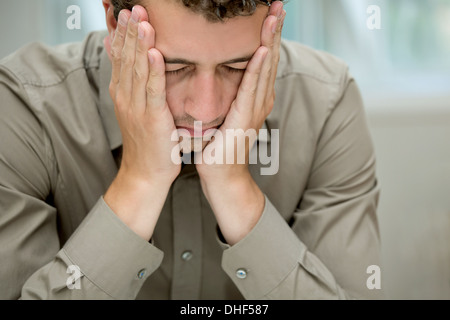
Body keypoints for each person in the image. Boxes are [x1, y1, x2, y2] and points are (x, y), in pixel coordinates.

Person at [0, 0, 384, 300]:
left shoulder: (326, 102)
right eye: (171, 68)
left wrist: (234, 186)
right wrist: (140, 181)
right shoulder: (24, 107)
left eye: (238, 67)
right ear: (116, 26)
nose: (206, 109)